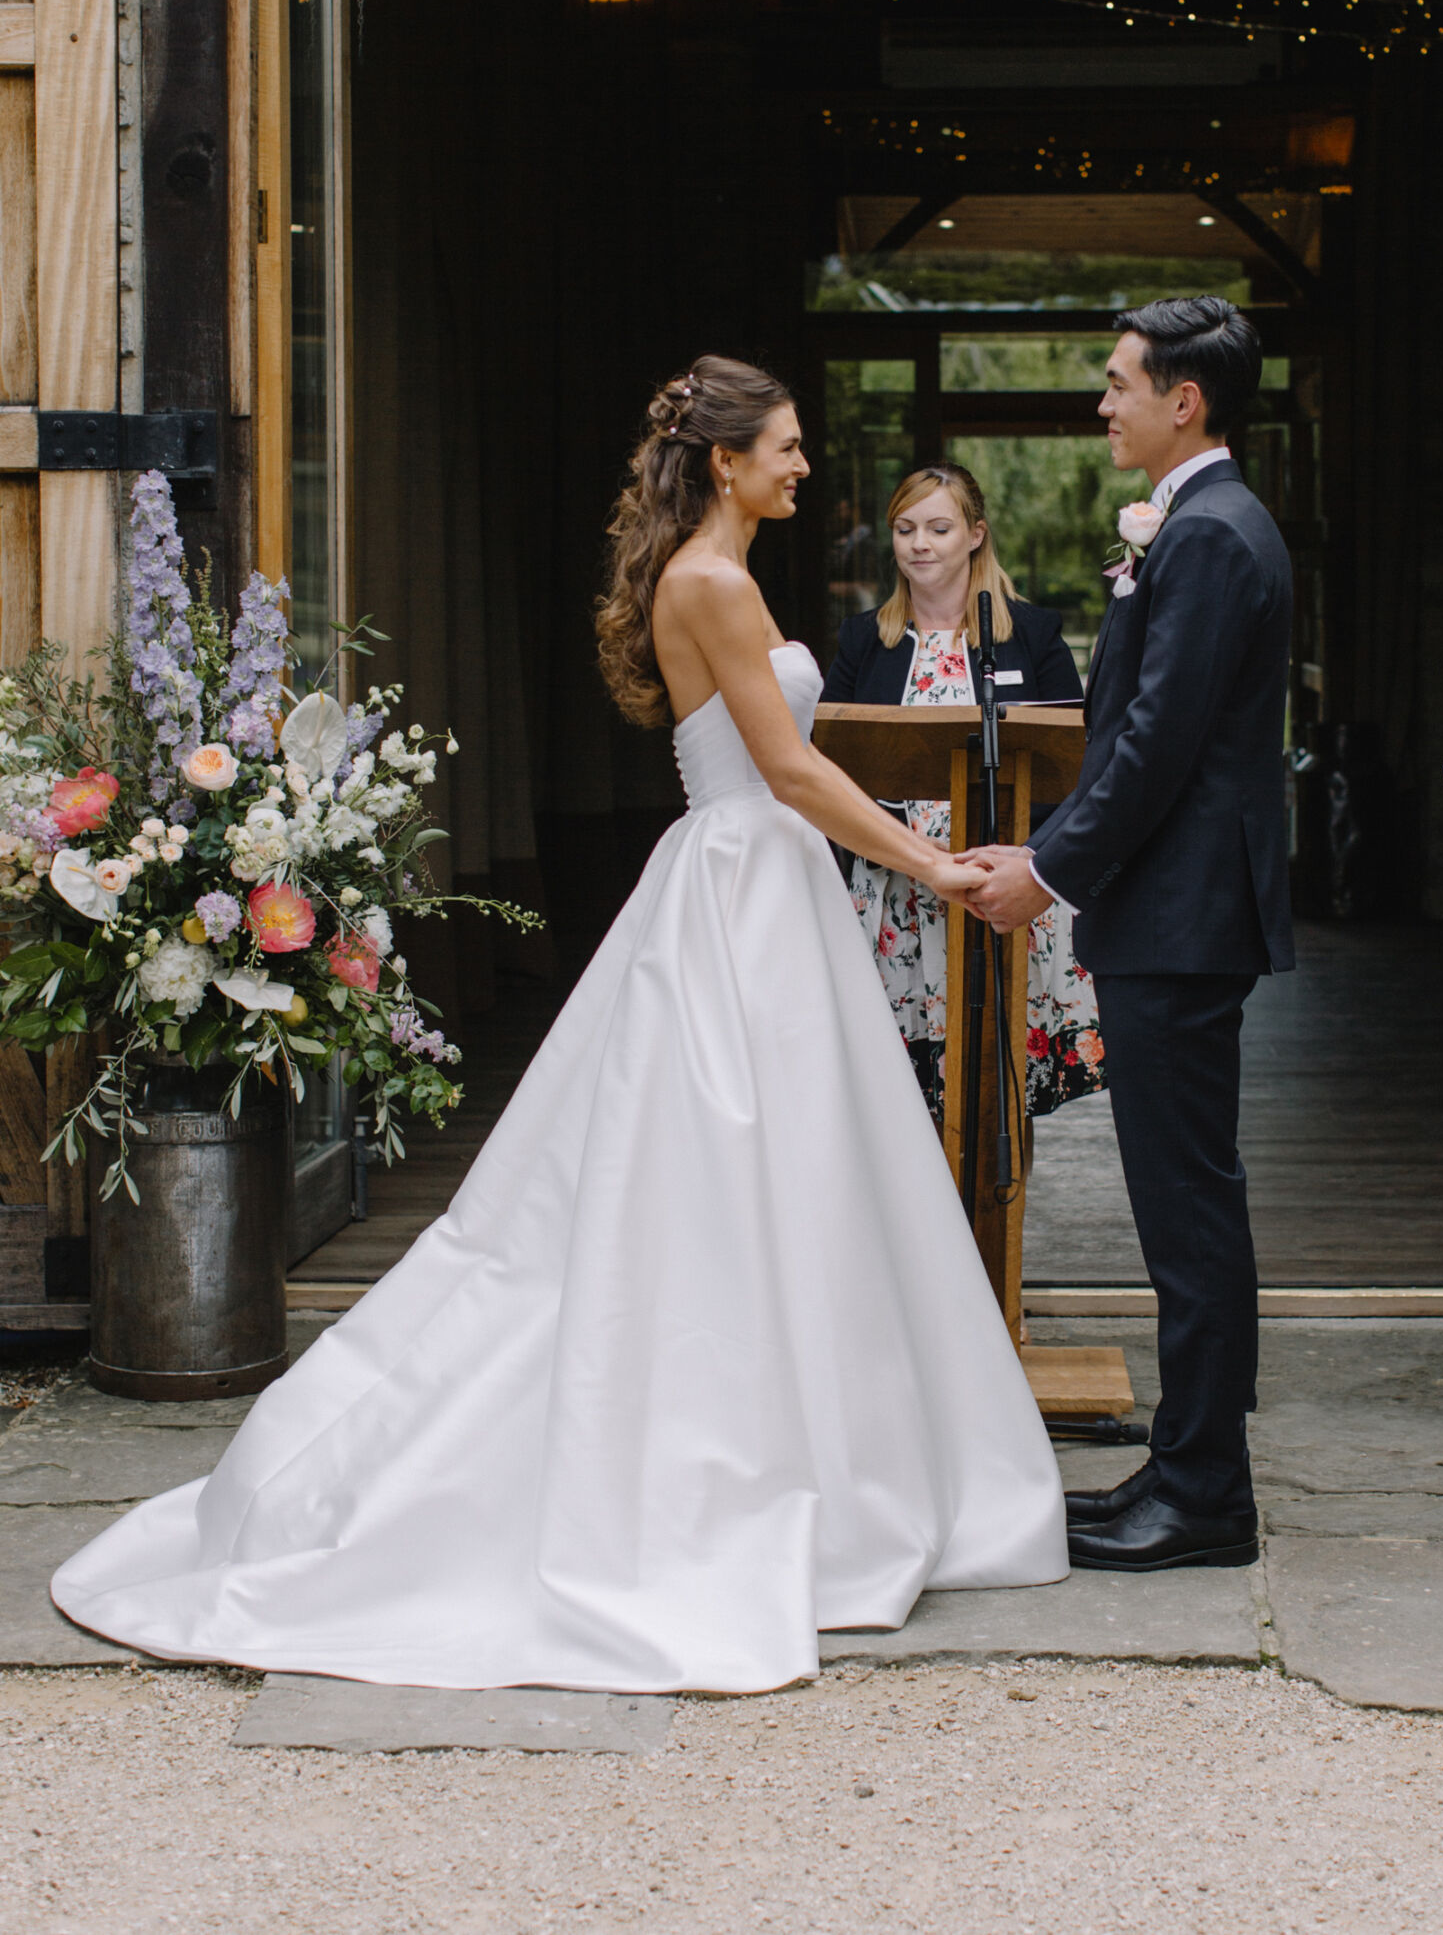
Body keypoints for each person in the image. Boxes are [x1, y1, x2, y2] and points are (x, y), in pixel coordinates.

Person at [52, 357, 1066, 1693]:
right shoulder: (709, 582)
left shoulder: (717, 574)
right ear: (724, 461)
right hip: (743, 885)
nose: (803, 465)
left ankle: (818, 1459)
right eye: (785, 445)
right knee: (730, 1185)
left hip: (762, 892)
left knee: (793, 1185)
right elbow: (790, 765)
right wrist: (934, 870)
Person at [959, 297, 1293, 1575]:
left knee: (1190, 1207)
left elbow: (1154, 744)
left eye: (1117, 384)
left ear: (1183, 401)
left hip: (1187, 915)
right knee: (1181, 1202)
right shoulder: (1204, 522)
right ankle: (1187, 1461)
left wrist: (1047, 872)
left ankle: (1208, 1493)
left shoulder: (1209, 535)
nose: (1103, 404)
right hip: (1179, 909)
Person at [822, 462, 1101, 1120]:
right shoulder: (866, 640)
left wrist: (1022, 860)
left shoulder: (1031, 634)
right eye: (905, 528)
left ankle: (991, 1222)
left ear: (975, 535)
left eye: (939, 528)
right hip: (900, 892)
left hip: (1001, 888)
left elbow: (1075, 761)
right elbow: (831, 759)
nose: (920, 543)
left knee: (1000, 1098)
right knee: (905, 1106)